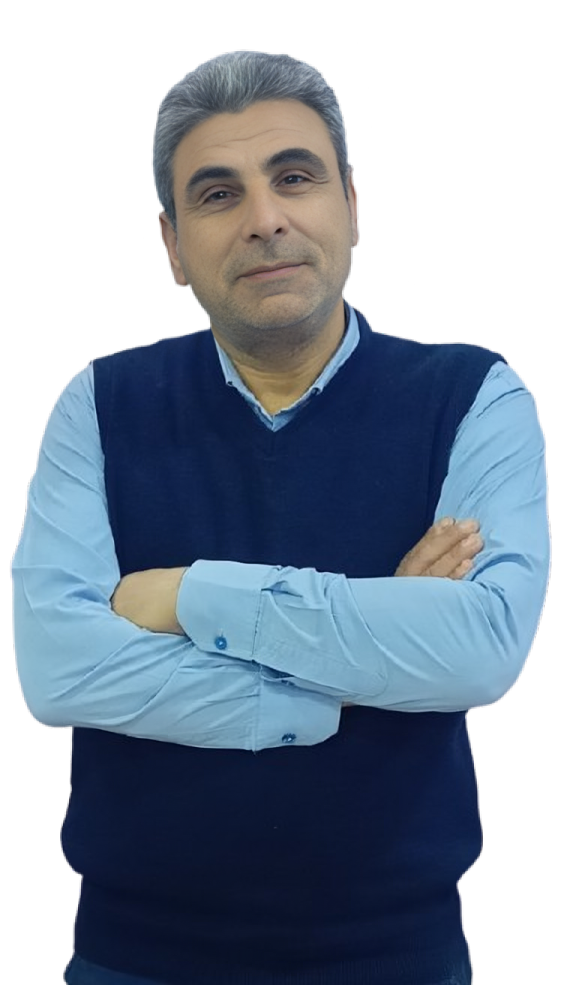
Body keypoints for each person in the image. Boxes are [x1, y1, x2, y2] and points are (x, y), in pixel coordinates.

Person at [10, 50, 550, 985]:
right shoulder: (99, 403)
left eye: (294, 177)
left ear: (351, 204)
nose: (265, 218)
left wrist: (187, 595)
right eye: (218, 194)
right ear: (173, 246)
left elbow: (483, 647)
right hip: (133, 958)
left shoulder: (473, 395)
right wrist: (364, 659)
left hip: (397, 957)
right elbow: (57, 669)